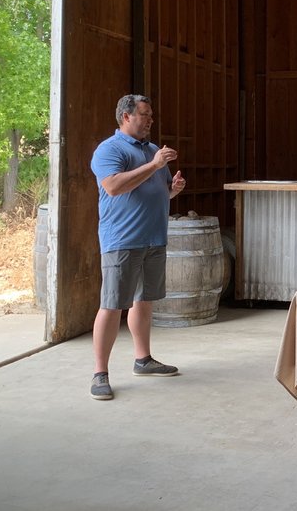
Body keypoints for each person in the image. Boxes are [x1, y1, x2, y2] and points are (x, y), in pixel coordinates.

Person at [88, 94, 186, 400]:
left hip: (154, 238)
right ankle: (100, 373)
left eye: (151, 115)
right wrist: (154, 165)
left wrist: (173, 190)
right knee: (112, 305)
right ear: (126, 117)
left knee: (145, 301)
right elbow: (114, 186)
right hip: (122, 240)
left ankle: (143, 360)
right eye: (144, 115)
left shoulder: (153, 150)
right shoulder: (109, 149)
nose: (150, 120)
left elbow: (157, 192)